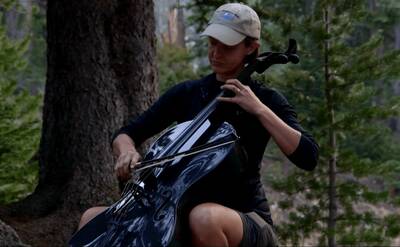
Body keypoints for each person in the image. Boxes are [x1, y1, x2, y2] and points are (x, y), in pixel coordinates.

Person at [77, 3, 319, 247]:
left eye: (226, 46)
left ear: (251, 48)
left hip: (243, 217)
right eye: (212, 43)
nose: (215, 52)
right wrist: (126, 151)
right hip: (176, 209)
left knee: (203, 217)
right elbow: (126, 134)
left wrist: (258, 109)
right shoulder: (188, 93)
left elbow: (308, 156)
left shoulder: (266, 100)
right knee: (92, 219)